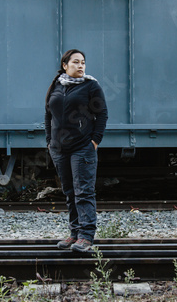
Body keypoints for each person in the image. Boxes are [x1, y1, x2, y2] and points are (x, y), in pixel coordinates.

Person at [45, 49, 108, 252]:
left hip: (82, 148)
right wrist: (49, 140)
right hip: (59, 149)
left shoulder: (91, 85)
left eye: (83, 62)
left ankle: (86, 237)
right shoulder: (56, 85)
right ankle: (74, 234)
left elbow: (102, 115)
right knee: (70, 192)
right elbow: (48, 114)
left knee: (83, 192)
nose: (81, 66)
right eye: (76, 62)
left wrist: (94, 142)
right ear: (65, 65)